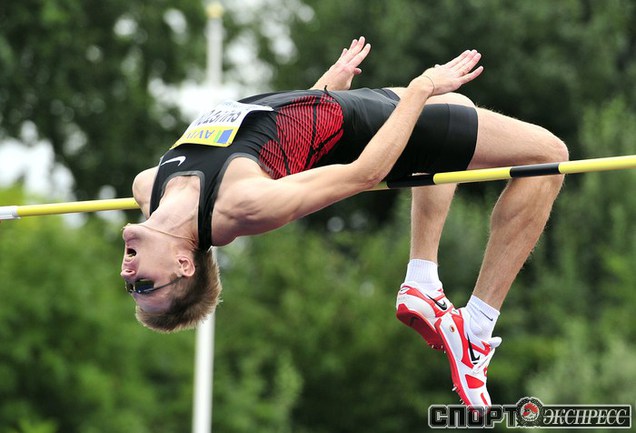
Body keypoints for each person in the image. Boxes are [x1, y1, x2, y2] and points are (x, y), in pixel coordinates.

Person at [121, 37, 568, 409]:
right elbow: (364, 175)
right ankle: (476, 329)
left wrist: (321, 91)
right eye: (143, 286)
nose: (128, 275)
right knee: (547, 156)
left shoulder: (149, 187)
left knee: (456, 102)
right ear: (184, 265)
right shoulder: (242, 207)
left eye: (132, 288)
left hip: (345, 107)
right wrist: (421, 88)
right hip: (373, 130)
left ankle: (423, 281)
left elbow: (269, 147)